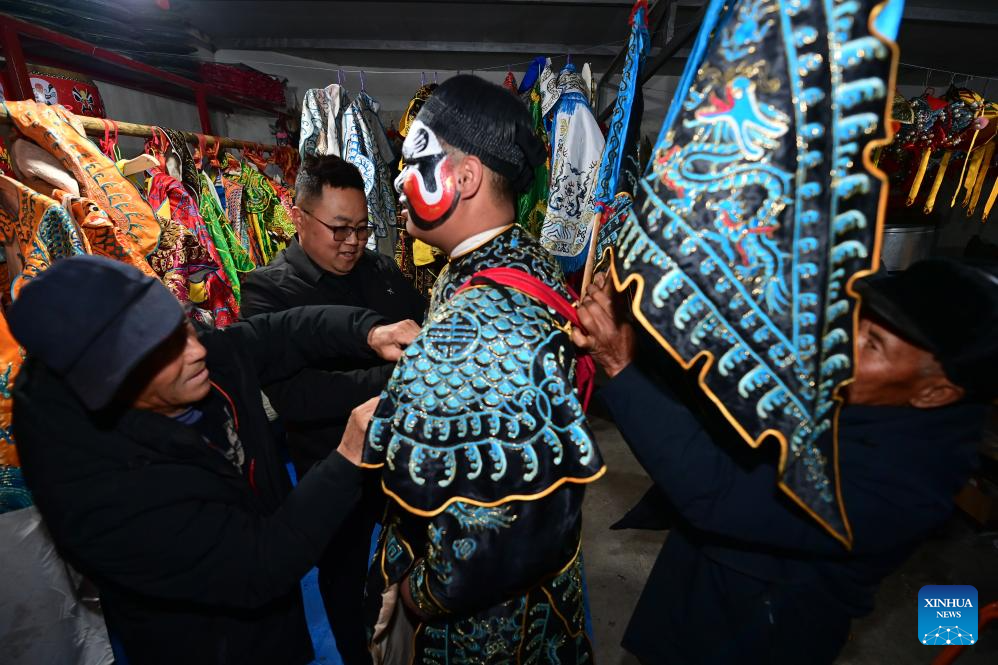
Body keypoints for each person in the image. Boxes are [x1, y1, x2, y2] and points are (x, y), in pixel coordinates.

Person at [572, 259, 998, 665]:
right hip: (705, 570)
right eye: (856, 323)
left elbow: (721, 492)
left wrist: (622, 363)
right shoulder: (864, 385)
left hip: (759, 628)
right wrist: (637, 325)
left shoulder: (907, 485)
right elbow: (726, 390)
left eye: (873, 345)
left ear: (935, 393)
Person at [9, 255, 418, 665]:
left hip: (274, 605)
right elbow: (259, 564)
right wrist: (347, 458)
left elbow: (273, 335)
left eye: (183, 326)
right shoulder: (104, 496)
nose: (197, 350)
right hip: (210, 641)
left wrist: (368, 332)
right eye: (167, 350)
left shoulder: (178, 353)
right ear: (115, 385)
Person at [360, 75, 604, 663]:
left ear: (466, 177)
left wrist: (420, 595)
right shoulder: (519, 254)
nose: (397, 180)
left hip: (489, 632)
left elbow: (492, 540)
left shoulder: (482, 325)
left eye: (414, 160)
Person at [240, 155, 424, 664]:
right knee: (342, 575)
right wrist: (399, 379)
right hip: (333, 464)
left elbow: (420, 328)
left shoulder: (378, 270)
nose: (353, 242)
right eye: (339, 228)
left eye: (362, 228)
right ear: (298, 217)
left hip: (402, 454)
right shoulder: (268, 290)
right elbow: (298, 397)